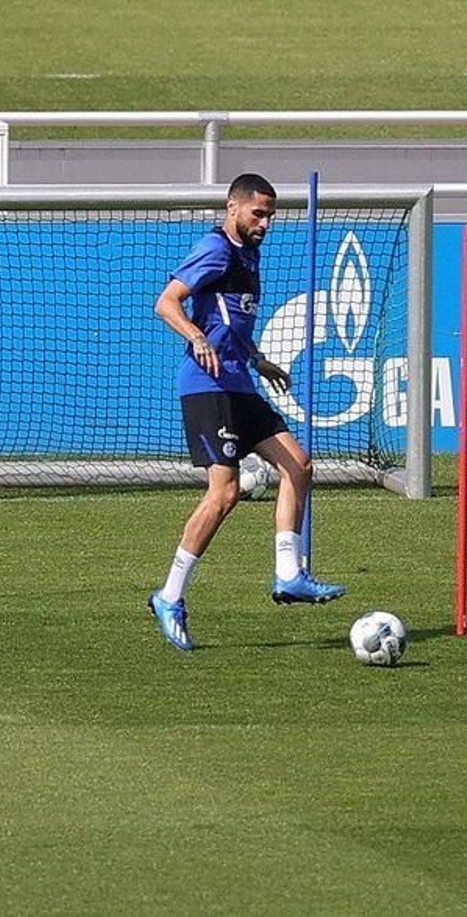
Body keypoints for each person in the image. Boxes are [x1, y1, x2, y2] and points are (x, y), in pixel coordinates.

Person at [147, 173, 346, 651]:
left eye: (270, 216)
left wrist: (258, 359)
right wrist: (196, 338)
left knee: (299, 465)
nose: (265, 223)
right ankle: (169, 596)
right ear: (233, 207)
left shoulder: (249, 256)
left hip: (239, 382)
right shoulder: (214, 249)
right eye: (258, 214)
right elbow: (166, 303)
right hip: (207, 387)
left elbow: (230, 322)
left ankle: (288, 574)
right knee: (225, 493)